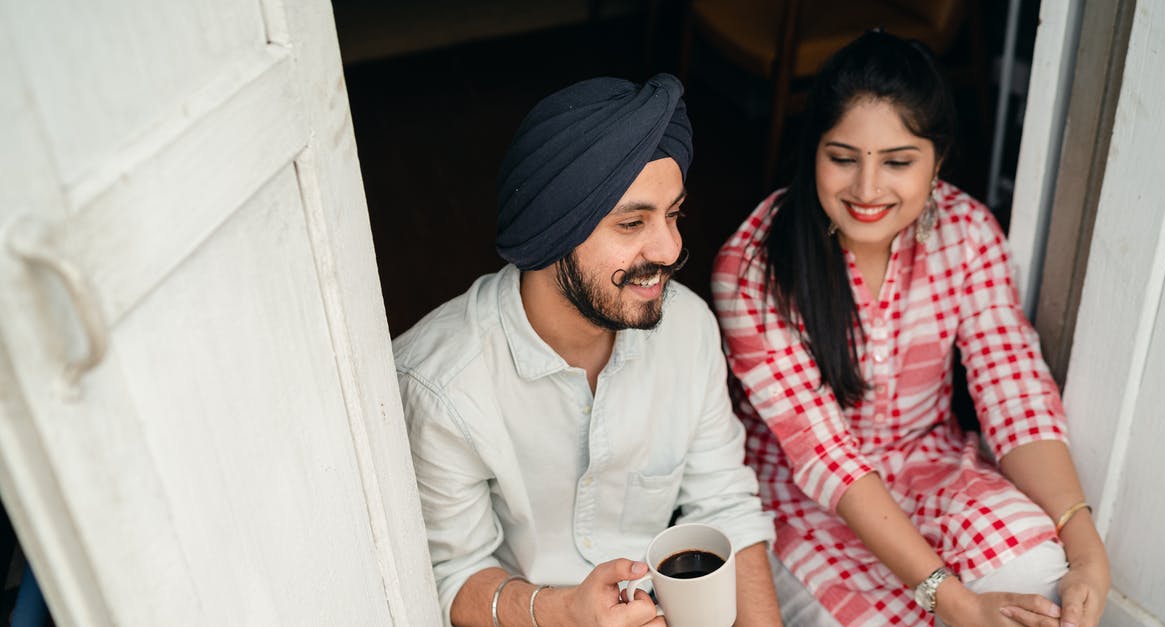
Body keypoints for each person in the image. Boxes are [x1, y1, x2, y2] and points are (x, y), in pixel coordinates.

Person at [711, 31, 1111, 627]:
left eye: (898, 162)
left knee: (1039, 579)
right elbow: (826, 457)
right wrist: (954, 601)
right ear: (812, 150)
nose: (867, 190)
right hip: (804, 498)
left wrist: (1087, 549)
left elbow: (1014, 390)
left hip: (932, 467)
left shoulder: (967, 231)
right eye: (842, 157)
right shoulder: (753, 266)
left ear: (939, 158)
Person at [395, 74, 780, 627]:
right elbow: (452, 577)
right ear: (553, 234)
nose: (671, 248)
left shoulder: (687, 326)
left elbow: (725, 507)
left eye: (673, 214)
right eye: (632, 223)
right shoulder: (441, 385)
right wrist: (570, 612)